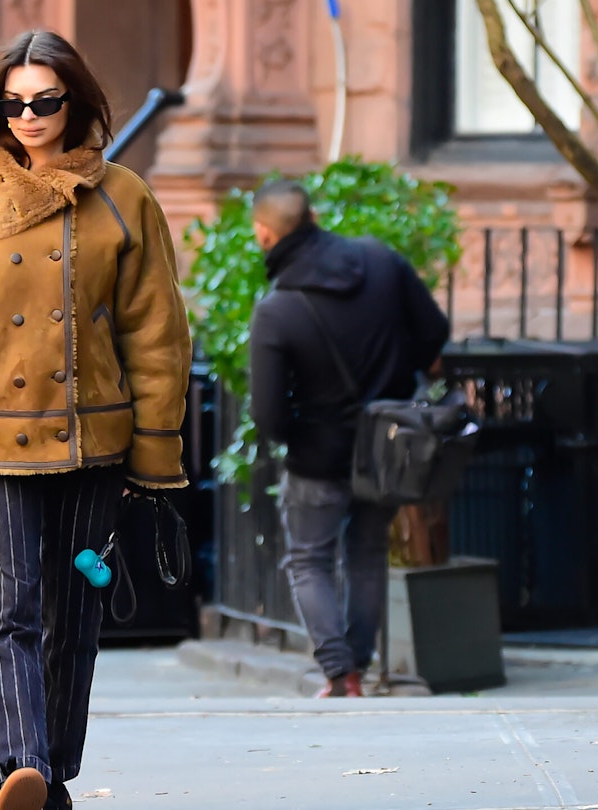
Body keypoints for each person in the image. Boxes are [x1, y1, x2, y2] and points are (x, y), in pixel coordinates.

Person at [0, 29, 192, 810]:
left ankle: (51, 774)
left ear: (76, 102)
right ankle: (16, 766)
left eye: (46, 101)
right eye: (14, 103)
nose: (30, 116)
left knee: (75, 614)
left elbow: (157, 336)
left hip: (92, 442)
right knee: (7, 608)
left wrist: (154, 456)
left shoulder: (124, 197)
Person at [247, 179, 450, 698]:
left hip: (320, 457)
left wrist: (301, 434)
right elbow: (433, 330)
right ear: (312, 215)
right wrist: (396, 382)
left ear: (264, 234)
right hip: (387, 449)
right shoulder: (380, 260)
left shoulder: (277, 310)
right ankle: (356, 664)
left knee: (308, 560)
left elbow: (268, 415)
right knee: (366, 553)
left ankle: (341, 674)